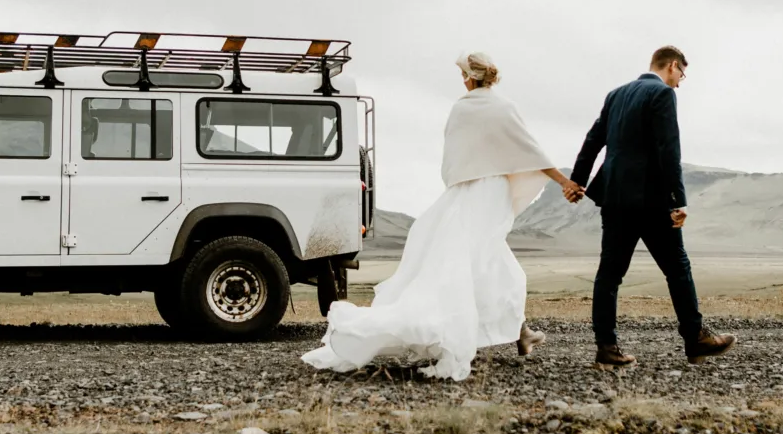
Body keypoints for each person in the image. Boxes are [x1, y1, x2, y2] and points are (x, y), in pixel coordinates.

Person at [302, 52, 583, 381]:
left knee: (476, 258)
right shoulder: (503, 107)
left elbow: (453, 160)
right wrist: (564, 182)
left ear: (468, 77)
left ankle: (520, 332)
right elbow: (529, 149)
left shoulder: (461, 109)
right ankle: (516, 332)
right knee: (484, 260)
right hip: (492, 192)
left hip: (465, 192)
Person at [568, 46, 735, 370]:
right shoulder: (661, 94)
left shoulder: (616, 94)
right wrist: (678, 200)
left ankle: (606, 347)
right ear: (672, 66)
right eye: (682, 75)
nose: (680, 82)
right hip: (652, 199)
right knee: (677, 268)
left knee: (610, 273)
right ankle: (695, 338)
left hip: (615, 197)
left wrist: (577, 181)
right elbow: (668, 148)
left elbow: (593, 140)